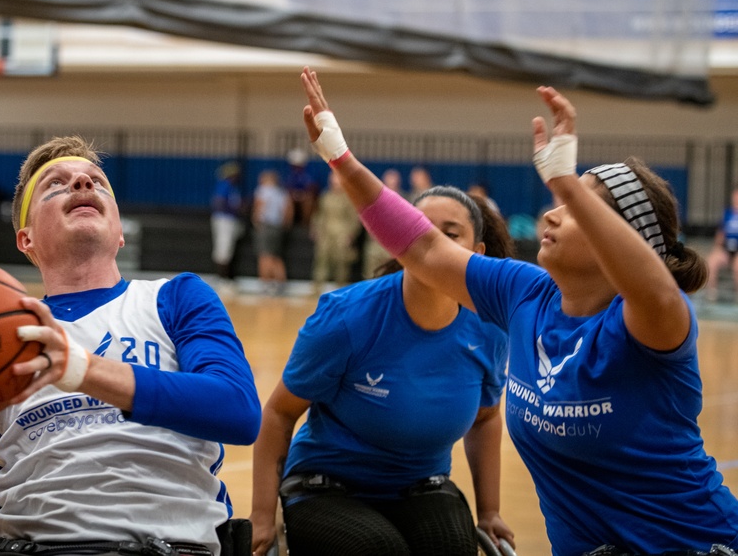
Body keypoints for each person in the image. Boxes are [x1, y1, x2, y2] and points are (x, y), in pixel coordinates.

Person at [296, 66, 738, 556]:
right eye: (561, 199)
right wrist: (339, 155)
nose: (553, 212)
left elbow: (655, 291)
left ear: (623, 240)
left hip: (698, 543)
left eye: (577, 207)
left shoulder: (653, 322)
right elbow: (423, 247)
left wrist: (568, 184)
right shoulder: (525, 293)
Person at [0, 135, 261, 556]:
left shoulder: (174, 297)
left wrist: (80, 369)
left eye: (97, 181)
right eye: (55, 184)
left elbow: (238, 411)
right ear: (26, 239)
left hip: (168, 546)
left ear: (119, 233)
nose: (82, 183)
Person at [250, 185, 516, 556]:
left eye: (450, 234)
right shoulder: (347, 316)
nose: (431, 244)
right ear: (398, 240)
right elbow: (279, 413)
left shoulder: (489, 327)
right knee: (379, 549)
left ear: (478, 252)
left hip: (422, 486)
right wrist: (262, 516)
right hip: (325, 486)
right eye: (419, 229)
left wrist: (489, 512)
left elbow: (485, 418)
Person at [309, 171, 360, 290]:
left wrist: (351, 234)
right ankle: (317, 288)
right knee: (321, 260)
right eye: (332, 178)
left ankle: (341, 287)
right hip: (326, 233)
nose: (334, 181)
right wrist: (315, 228)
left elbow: (354, 218)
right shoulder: (326, 196)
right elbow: (319, 214)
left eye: (337, 178)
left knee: (341, 262)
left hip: (341, 233)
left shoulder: (348, 198)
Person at [252, 169, 294, 295]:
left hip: (266, 226)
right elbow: (288, 211)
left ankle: (266, 284)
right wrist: (284, 226)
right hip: (278, 228)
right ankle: (280, 284)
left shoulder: (262, 190)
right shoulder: (282, 193)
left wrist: (256, 222)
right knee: (276, 256)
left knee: (264, 256)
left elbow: (259, 207)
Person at [362, 168, 404, 279]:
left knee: (391, 276)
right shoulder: (374, 199)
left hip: (395, 245)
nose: (391, 186)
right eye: (388, 183)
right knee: (371, 275)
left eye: (393, 183)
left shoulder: (404, 201)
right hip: (376, 244)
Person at [211, 161, 245, 280]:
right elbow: (219, 202)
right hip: (224, 220)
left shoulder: (232, 188)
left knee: (227, 250)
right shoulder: (224, 186)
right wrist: (234, 210)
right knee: (223, 250)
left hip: (230, 220)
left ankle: (225, 277)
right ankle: (222, 278)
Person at [704, 187, 738, 301]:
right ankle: (711, 294)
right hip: (726, 249)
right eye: (735, 197)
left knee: (737, 266)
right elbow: (720, 234)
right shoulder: (727, 214)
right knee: (711, 262)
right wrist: (717, 248)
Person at [284, 148, 318, 227]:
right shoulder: (289, 173)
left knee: (308, 201)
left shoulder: (309, 173)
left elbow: (312, 187)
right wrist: (294, 194)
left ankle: (305, 224)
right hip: (293, 196)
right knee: (287, 200)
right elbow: (288, 187)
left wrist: (303, 194)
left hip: (305, 196)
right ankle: (287, 226)